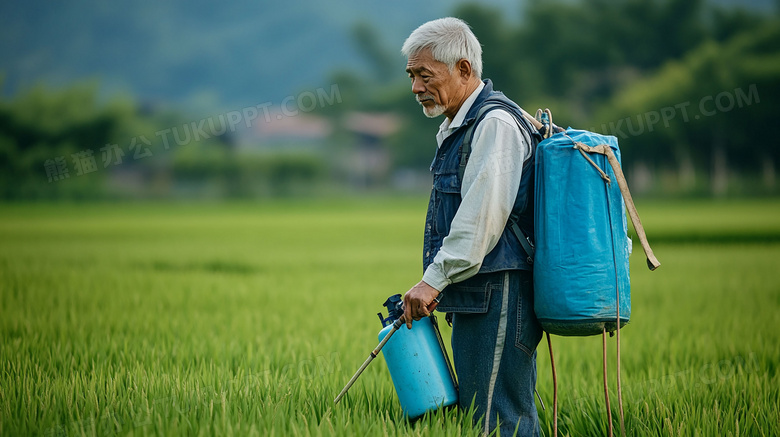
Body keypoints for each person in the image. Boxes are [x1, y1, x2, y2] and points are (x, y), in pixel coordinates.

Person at [400, 17, 543, 436]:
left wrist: (433, 280)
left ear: (464, 69)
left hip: (499, 293)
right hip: (477, 293)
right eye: (412, 76)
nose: (415, 87)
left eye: (425, 75)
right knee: (481, 416)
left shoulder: (493, 125)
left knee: (497, 421)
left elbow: (482, 218)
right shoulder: (459, 126)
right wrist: (437, 282)